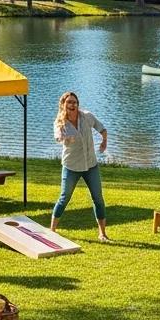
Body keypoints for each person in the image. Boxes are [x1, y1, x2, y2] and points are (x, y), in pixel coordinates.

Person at [50, 91, 110, 242]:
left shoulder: (87, 116)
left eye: (74, 102)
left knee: (98, 199)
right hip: (71, 166)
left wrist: (104, 141)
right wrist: (64, 137)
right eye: (69, 102)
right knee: (64, 198)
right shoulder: (60, 123)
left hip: (91, 165)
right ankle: (52, 230)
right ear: (63, 105)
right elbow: (57, 136)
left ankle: (102, 234)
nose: (72, 105)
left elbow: (102, 128)